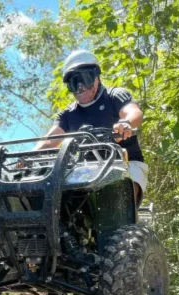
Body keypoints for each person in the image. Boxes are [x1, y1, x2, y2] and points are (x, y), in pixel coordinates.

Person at [35, 49, 148, 205]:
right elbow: (49, 140)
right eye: (74, 83)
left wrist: (126, 123)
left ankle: (128, 225)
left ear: (97, 77)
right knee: (56, 193)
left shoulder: (114, 95)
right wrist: (28, 157)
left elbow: (134, 112)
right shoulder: (68, 114)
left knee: (124, 194)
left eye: (85, 79)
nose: (81, 88)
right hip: (85, 169)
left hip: (126, 163)